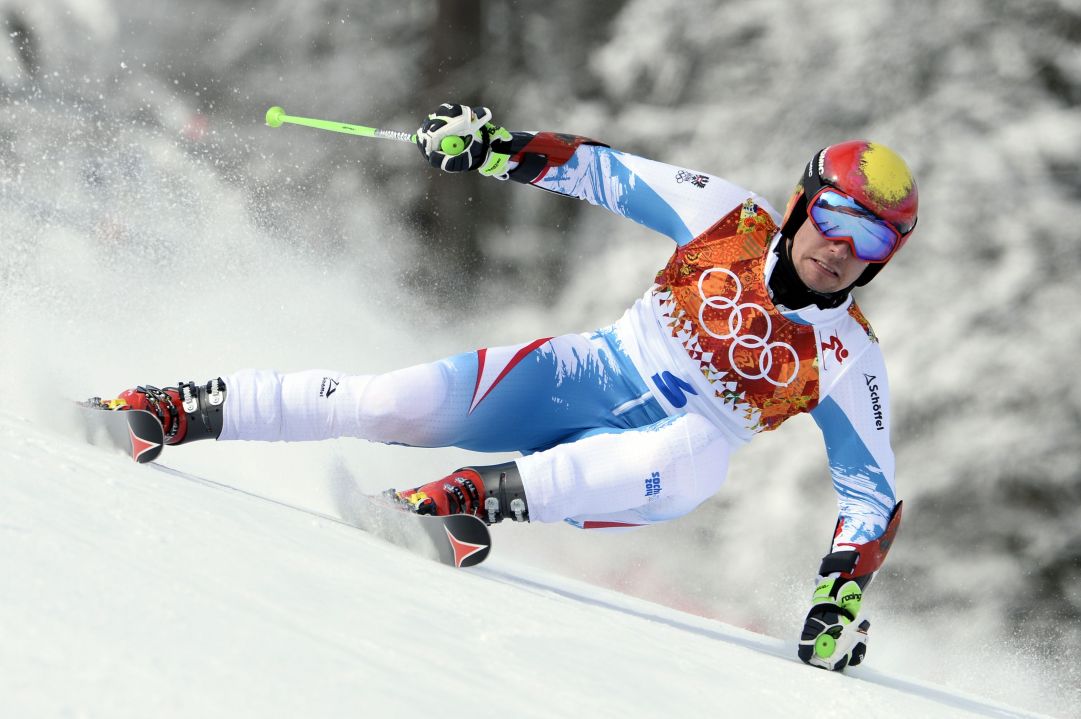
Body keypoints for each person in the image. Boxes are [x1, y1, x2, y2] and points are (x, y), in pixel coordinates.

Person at [100, 103, 916, 672]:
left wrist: (835, 600)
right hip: (586, 372)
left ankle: (462, 499)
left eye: (871, 237)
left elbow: (870, 495)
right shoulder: (729, 221)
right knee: (389, 402)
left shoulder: (849, 358)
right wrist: (489, 146)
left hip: (656, 462)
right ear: (801, 204)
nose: (842, 248)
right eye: (835, 218)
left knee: (701, 453)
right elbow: (601, 172)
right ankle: (174, 408)